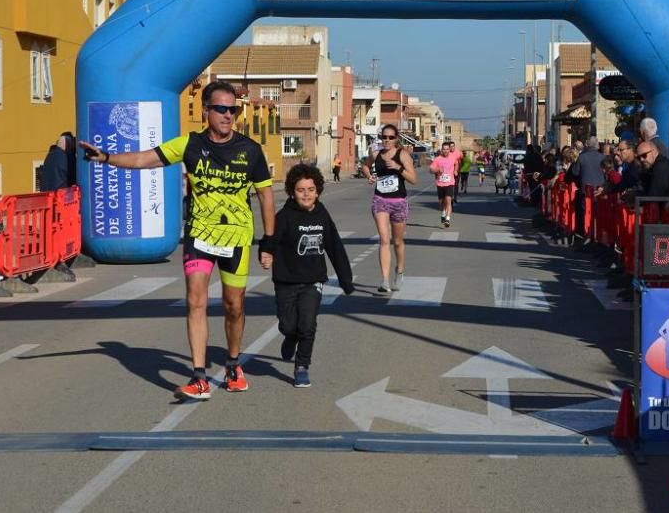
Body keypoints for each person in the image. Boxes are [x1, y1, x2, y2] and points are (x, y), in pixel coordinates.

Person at [80, 81, 275, 401]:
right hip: (199, 235)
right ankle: (199, 377)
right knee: (196, 300)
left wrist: (269, 240)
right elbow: (146, 159)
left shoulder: (250, 149)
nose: (228, 116)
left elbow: (266, 195)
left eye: (233, 110)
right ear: (206, 111)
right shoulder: (190, 144)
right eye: (221, 109)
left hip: (237, 237)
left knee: (233, 306)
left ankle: (232, 363)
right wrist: (105, 157)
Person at [264, 164, 354, 388]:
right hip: (286, 280)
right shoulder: (284, 216)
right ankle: (290, 337)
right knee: (288, 326)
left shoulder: (322, 214)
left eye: (311, 189)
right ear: (292, 192)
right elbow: (271, 239)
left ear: (318, 190)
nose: (306, 194)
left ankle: (302, 366)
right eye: (301, 190)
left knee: (308, 325)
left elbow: (334, 246)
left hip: (313, 280)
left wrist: (345, 279)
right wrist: (266, 253)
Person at [361, 123, 417, 293]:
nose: (387, 140)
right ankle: (384, 281)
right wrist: (369, 176)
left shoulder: (403, 154)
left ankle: (399, 271)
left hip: (399, 201)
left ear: (396, 139)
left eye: (391, 137)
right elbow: (365, 166)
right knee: (384, 240)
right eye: (384, 137)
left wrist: (398, 167)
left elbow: (413, 179)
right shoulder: (376, 154)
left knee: (397, 242)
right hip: (380, 200)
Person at [430, 142, 457, 227]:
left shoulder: (453, 157)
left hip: (450, 183)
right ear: (441, 150)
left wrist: (455, 170)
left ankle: (447, 219)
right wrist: (437, 169)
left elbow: (456, 163)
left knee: (448, 201)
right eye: (444, 149)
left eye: (447, 149)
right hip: (440, 183)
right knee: (441, 203)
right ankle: (443, 212)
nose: (445, 151)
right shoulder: (437, 159)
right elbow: (431, 170)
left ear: (449, 150)